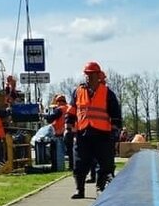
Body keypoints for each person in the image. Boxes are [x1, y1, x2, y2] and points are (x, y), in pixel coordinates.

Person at [69, 61, 123, 199]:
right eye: (87, 74)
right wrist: (68, 128)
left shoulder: (107, 93)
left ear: (98, 75)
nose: (89, 77)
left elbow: (116, 114)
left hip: (102, 135)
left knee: (104, 164)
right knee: (80, 163)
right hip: (83, 133)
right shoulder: (78, 92)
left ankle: (100, 187)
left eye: (92, 74)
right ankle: (79, 189)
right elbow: (71, 111)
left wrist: (115, 131)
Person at [43, 94, 71, 171]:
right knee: (70, 152)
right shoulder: (69, 108)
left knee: (57, 153)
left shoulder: (59, 109)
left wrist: (44, 116)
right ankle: (71, 167)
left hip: (59, 134)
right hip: (69, 133)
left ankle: (57, 167)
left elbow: (50, 119)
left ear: (58, 102)